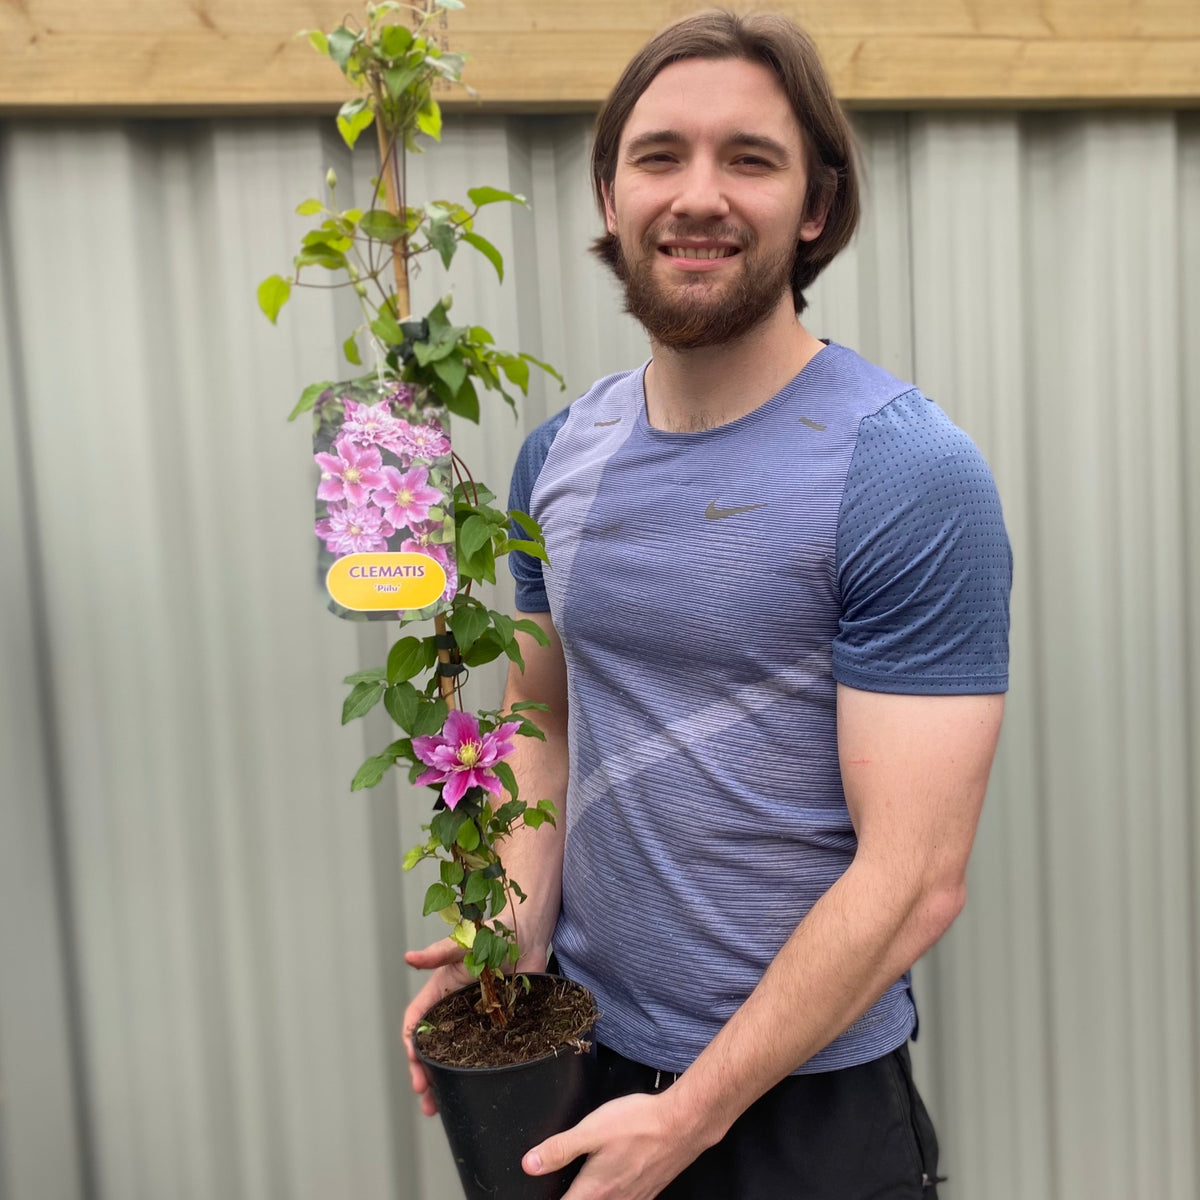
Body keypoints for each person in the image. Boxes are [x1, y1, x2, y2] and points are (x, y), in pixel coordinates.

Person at [404, 11, 1012, 1199]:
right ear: (610, 191)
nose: (698, 196)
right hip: (585, 1062)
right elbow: (545, 730)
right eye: (660, 155)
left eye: (750, 157)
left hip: (804, 1113)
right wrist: (512, 944)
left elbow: (918, 878)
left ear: (817, 206)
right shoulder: (554, 459)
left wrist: (690, 1116)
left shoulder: (903, 470)